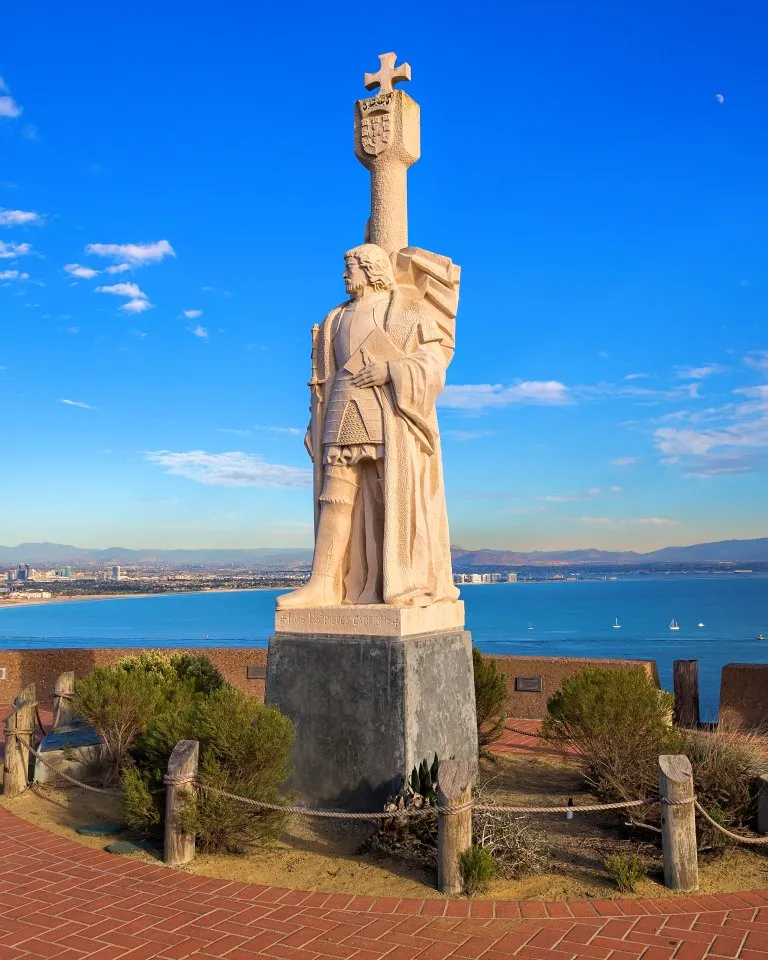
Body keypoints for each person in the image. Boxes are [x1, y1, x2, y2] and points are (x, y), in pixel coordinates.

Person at [277, 243, 458, 609]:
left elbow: (433, 364)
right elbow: (323, 381)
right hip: (341, 411)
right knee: (335, 497)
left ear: (372, 269)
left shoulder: (407, 310)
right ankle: (324, 582)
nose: (345, 275)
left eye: (351, 268)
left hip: (386, 413)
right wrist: (316, 421)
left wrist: (391, 370)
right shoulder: (333, 319)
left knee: (386, 496)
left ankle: (394, 580)